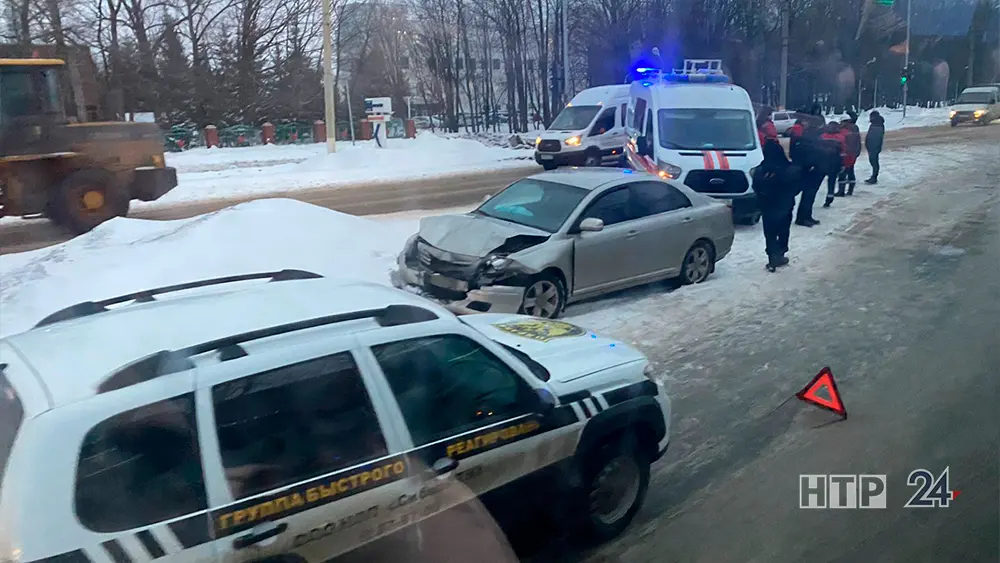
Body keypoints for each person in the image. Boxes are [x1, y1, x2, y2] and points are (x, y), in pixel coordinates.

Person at [753, 136, 798, 270]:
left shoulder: (761, 170)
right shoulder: (788, 168)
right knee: (783, 230)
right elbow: (795, 187)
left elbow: (755, 186)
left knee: (770, 232)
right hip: (785, 205)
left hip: (767, 206)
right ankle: (781, 252)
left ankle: (772, 256)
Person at [789, 117, 823, 227]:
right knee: (807, 194)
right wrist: (810, 164)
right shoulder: (802, 135)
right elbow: (805, 152)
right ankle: (802, 217)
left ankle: (806, 216)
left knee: (810, 194)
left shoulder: (803, 134)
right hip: (807, 169)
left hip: (809, 167)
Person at [819, 122, 846, 208]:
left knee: (818, 181)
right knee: (832, 181)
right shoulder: (840, 137)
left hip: (823, 161)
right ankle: (829, 198)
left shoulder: (822, 136)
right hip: (835, 162)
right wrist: (843, 164)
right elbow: (843, 151)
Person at [837, 117, 862, 196]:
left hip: (845, 154)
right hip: (853, 154)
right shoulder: (855, 128)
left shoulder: (845, 131)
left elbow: (842, 142)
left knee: (842, 173)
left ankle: (841, 191)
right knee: (851, 171)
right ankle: (850, 190)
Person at [865, 111, 885, 184]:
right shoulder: (874, 124)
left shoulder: (878, 124)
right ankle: (873, 176)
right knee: (873, 161)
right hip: (872, 146)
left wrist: (875, 146)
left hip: (874, 146)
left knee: (874, 162)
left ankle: (874, 177)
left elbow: (876, 137)